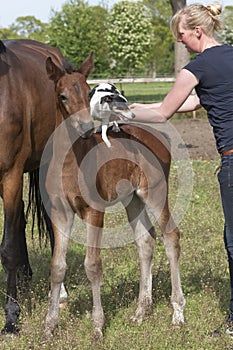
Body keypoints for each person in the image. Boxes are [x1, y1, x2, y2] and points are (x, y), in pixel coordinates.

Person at [130, 2, 233, 334]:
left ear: (198, 32)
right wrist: (132, 105)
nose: (181, 42)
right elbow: (191, 101)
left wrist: (121, 115)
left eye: (183, 36)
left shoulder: (197, 67)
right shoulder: (229, 56)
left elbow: (163, 114)